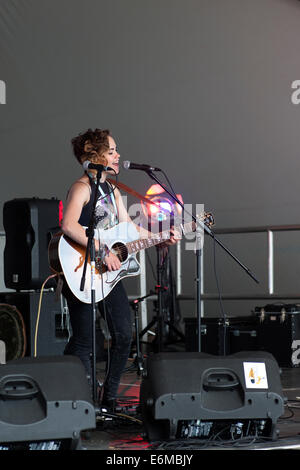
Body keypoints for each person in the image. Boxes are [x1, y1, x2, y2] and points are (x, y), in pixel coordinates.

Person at [61, 128, 177, 410]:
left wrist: (159, 237)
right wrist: (101, 249)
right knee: (85, 341)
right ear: (96, 155)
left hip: (108, 277)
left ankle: (109, 400)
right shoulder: (82, 187)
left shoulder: (112, 191)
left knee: (124, 334)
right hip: (83, 270)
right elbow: (69, 225)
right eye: (112, 151)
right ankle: (73, 401)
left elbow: (129, 229)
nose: (118, 156)